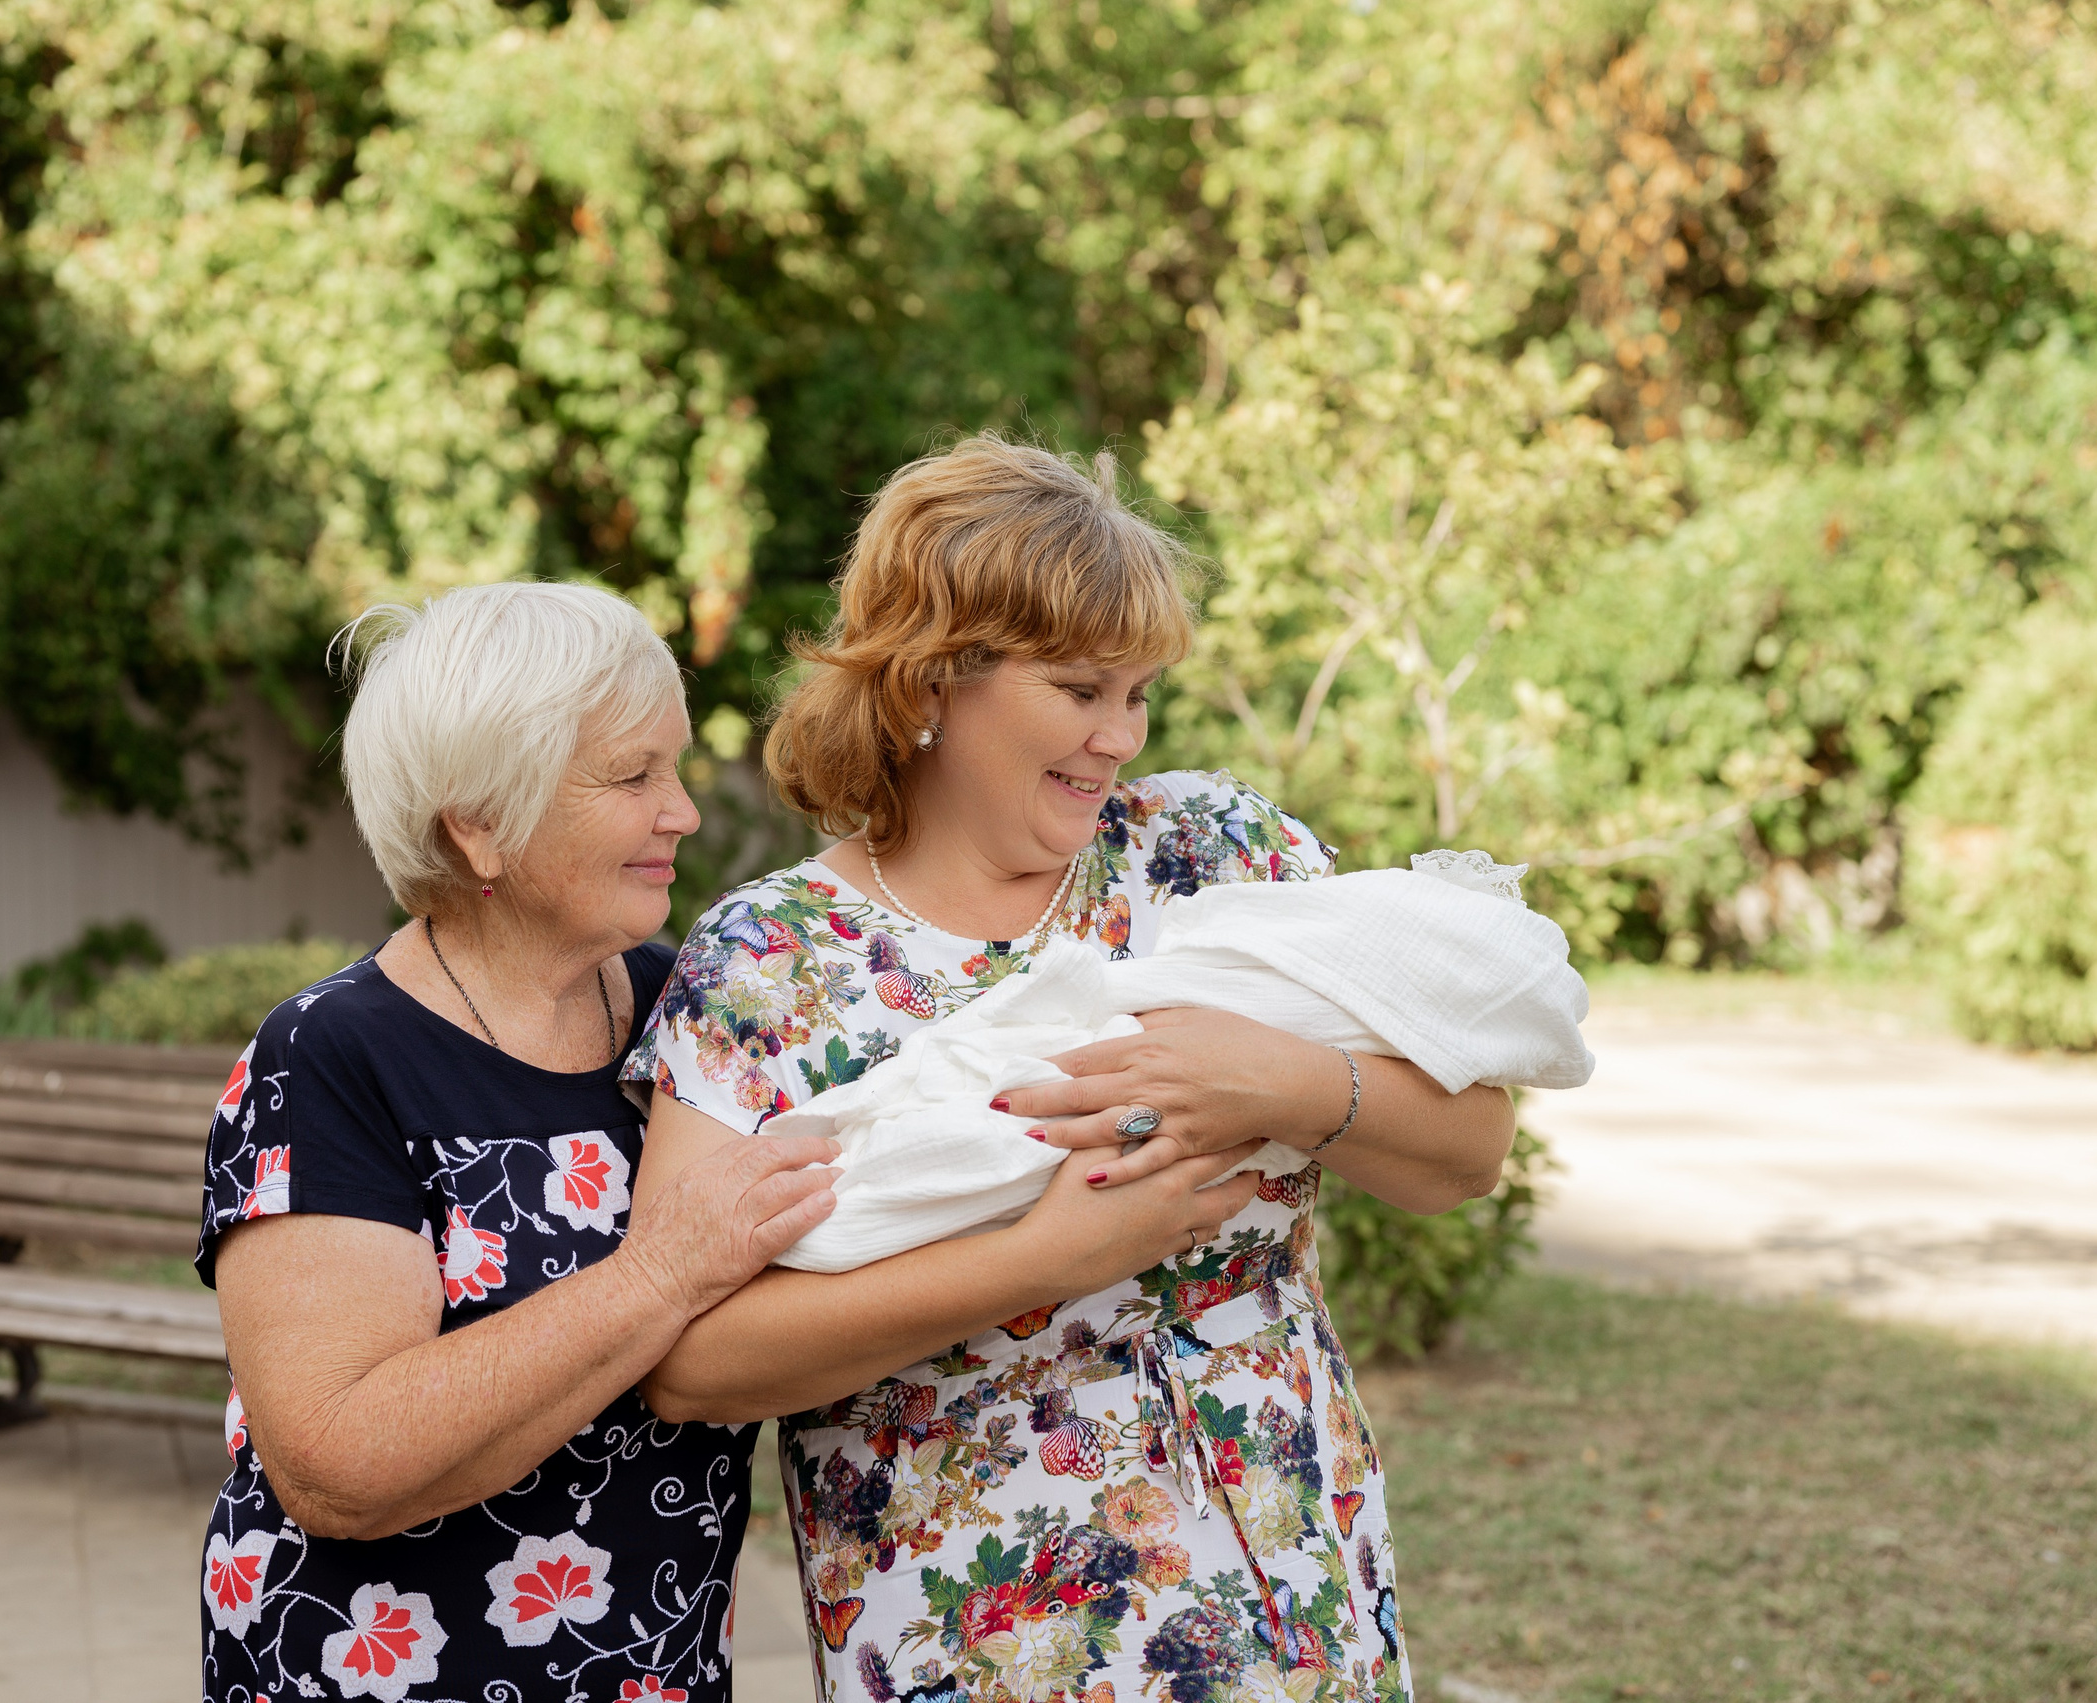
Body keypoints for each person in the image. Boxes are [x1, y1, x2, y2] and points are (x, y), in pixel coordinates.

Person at [625, 436, 1517, 1703]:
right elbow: (691, 1361)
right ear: (934, 675)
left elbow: (1470, 1151)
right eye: (1080, 688)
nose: (1118, 737)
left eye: (1140, 693)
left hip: (1292, 1604)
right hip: (976, 1644)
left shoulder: (1216, 856)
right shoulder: (771, 963)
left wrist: (1281, 1085)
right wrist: (1043, 1261)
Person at [194, 583, 839, 1703]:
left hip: (651, 1668)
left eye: (674, 768)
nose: (681, 810)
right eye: (633, 775)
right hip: (377, 1675)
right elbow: (339, 1461)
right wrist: (665, 1271)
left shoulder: (684, 1007)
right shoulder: (329, 1055)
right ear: (479, 820)